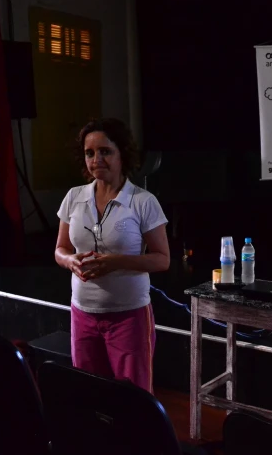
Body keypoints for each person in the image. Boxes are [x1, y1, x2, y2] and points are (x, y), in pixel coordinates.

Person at [55, 118, 169, 394]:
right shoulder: (74, 197)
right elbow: (60, 249)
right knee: (90, 395)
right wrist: (70, 262)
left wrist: (115, 262)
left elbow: (162, 259)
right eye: (90, 153)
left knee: (133, 399)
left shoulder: (142, 202)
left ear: (122, 154)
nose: (96, 159)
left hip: (128, 317)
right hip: (83, 314)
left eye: (105, 151)